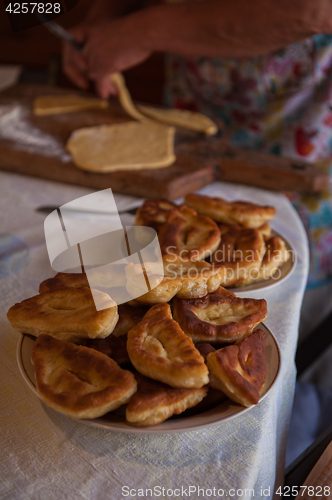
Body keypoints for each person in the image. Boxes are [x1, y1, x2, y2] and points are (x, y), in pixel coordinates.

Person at [63, 0, 332, 321]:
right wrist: (105, 22)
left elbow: (316, 9)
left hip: (302, 122)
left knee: (276, 312)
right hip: (192, 111)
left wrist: (140, 32)